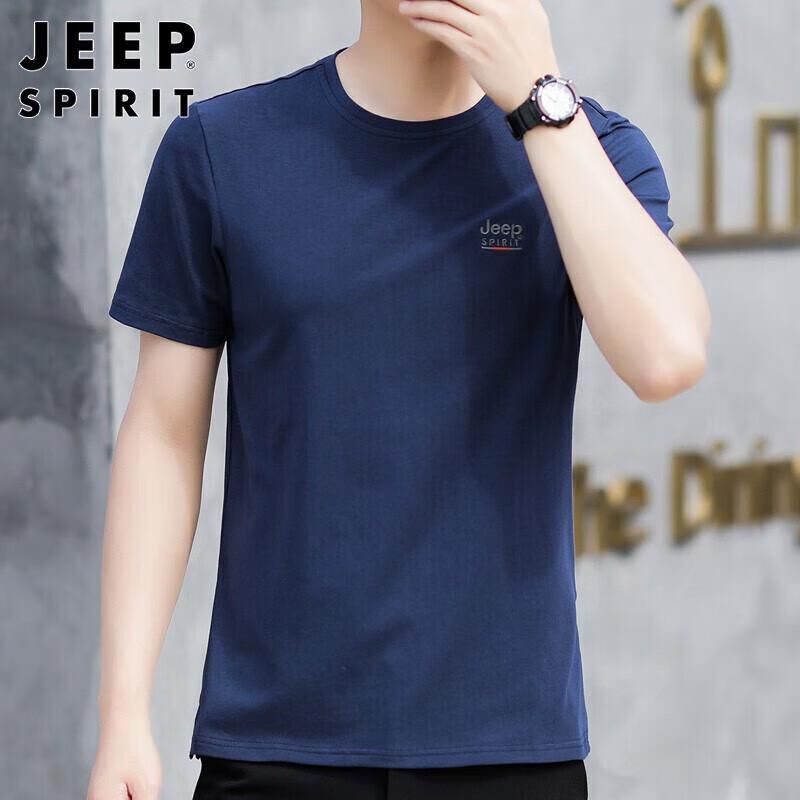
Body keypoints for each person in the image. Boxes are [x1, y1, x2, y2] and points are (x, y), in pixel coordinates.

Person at [87, 0, 711, 798]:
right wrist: (123, 713)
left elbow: (666, 358)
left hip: (509, 751)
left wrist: (539, 100)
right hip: (278, 748)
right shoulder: (222, 148)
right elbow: (163, 435)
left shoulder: (591, 150)